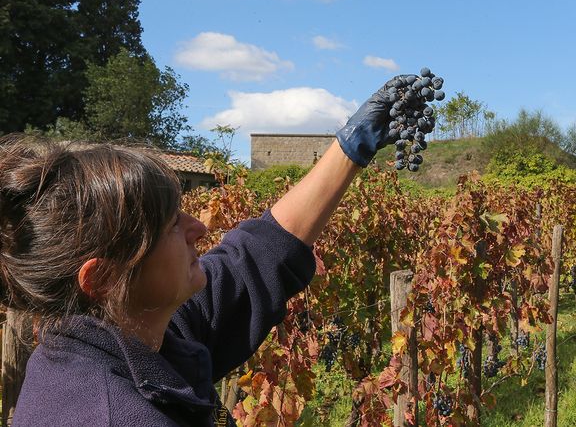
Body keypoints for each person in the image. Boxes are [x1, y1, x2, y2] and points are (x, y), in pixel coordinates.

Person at [0, 77, 406, 426]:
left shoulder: (129, 331)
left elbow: (255, 257)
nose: (200, 227)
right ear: (104, 278)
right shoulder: (115, 414)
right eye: (172, 225)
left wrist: (352, 146)